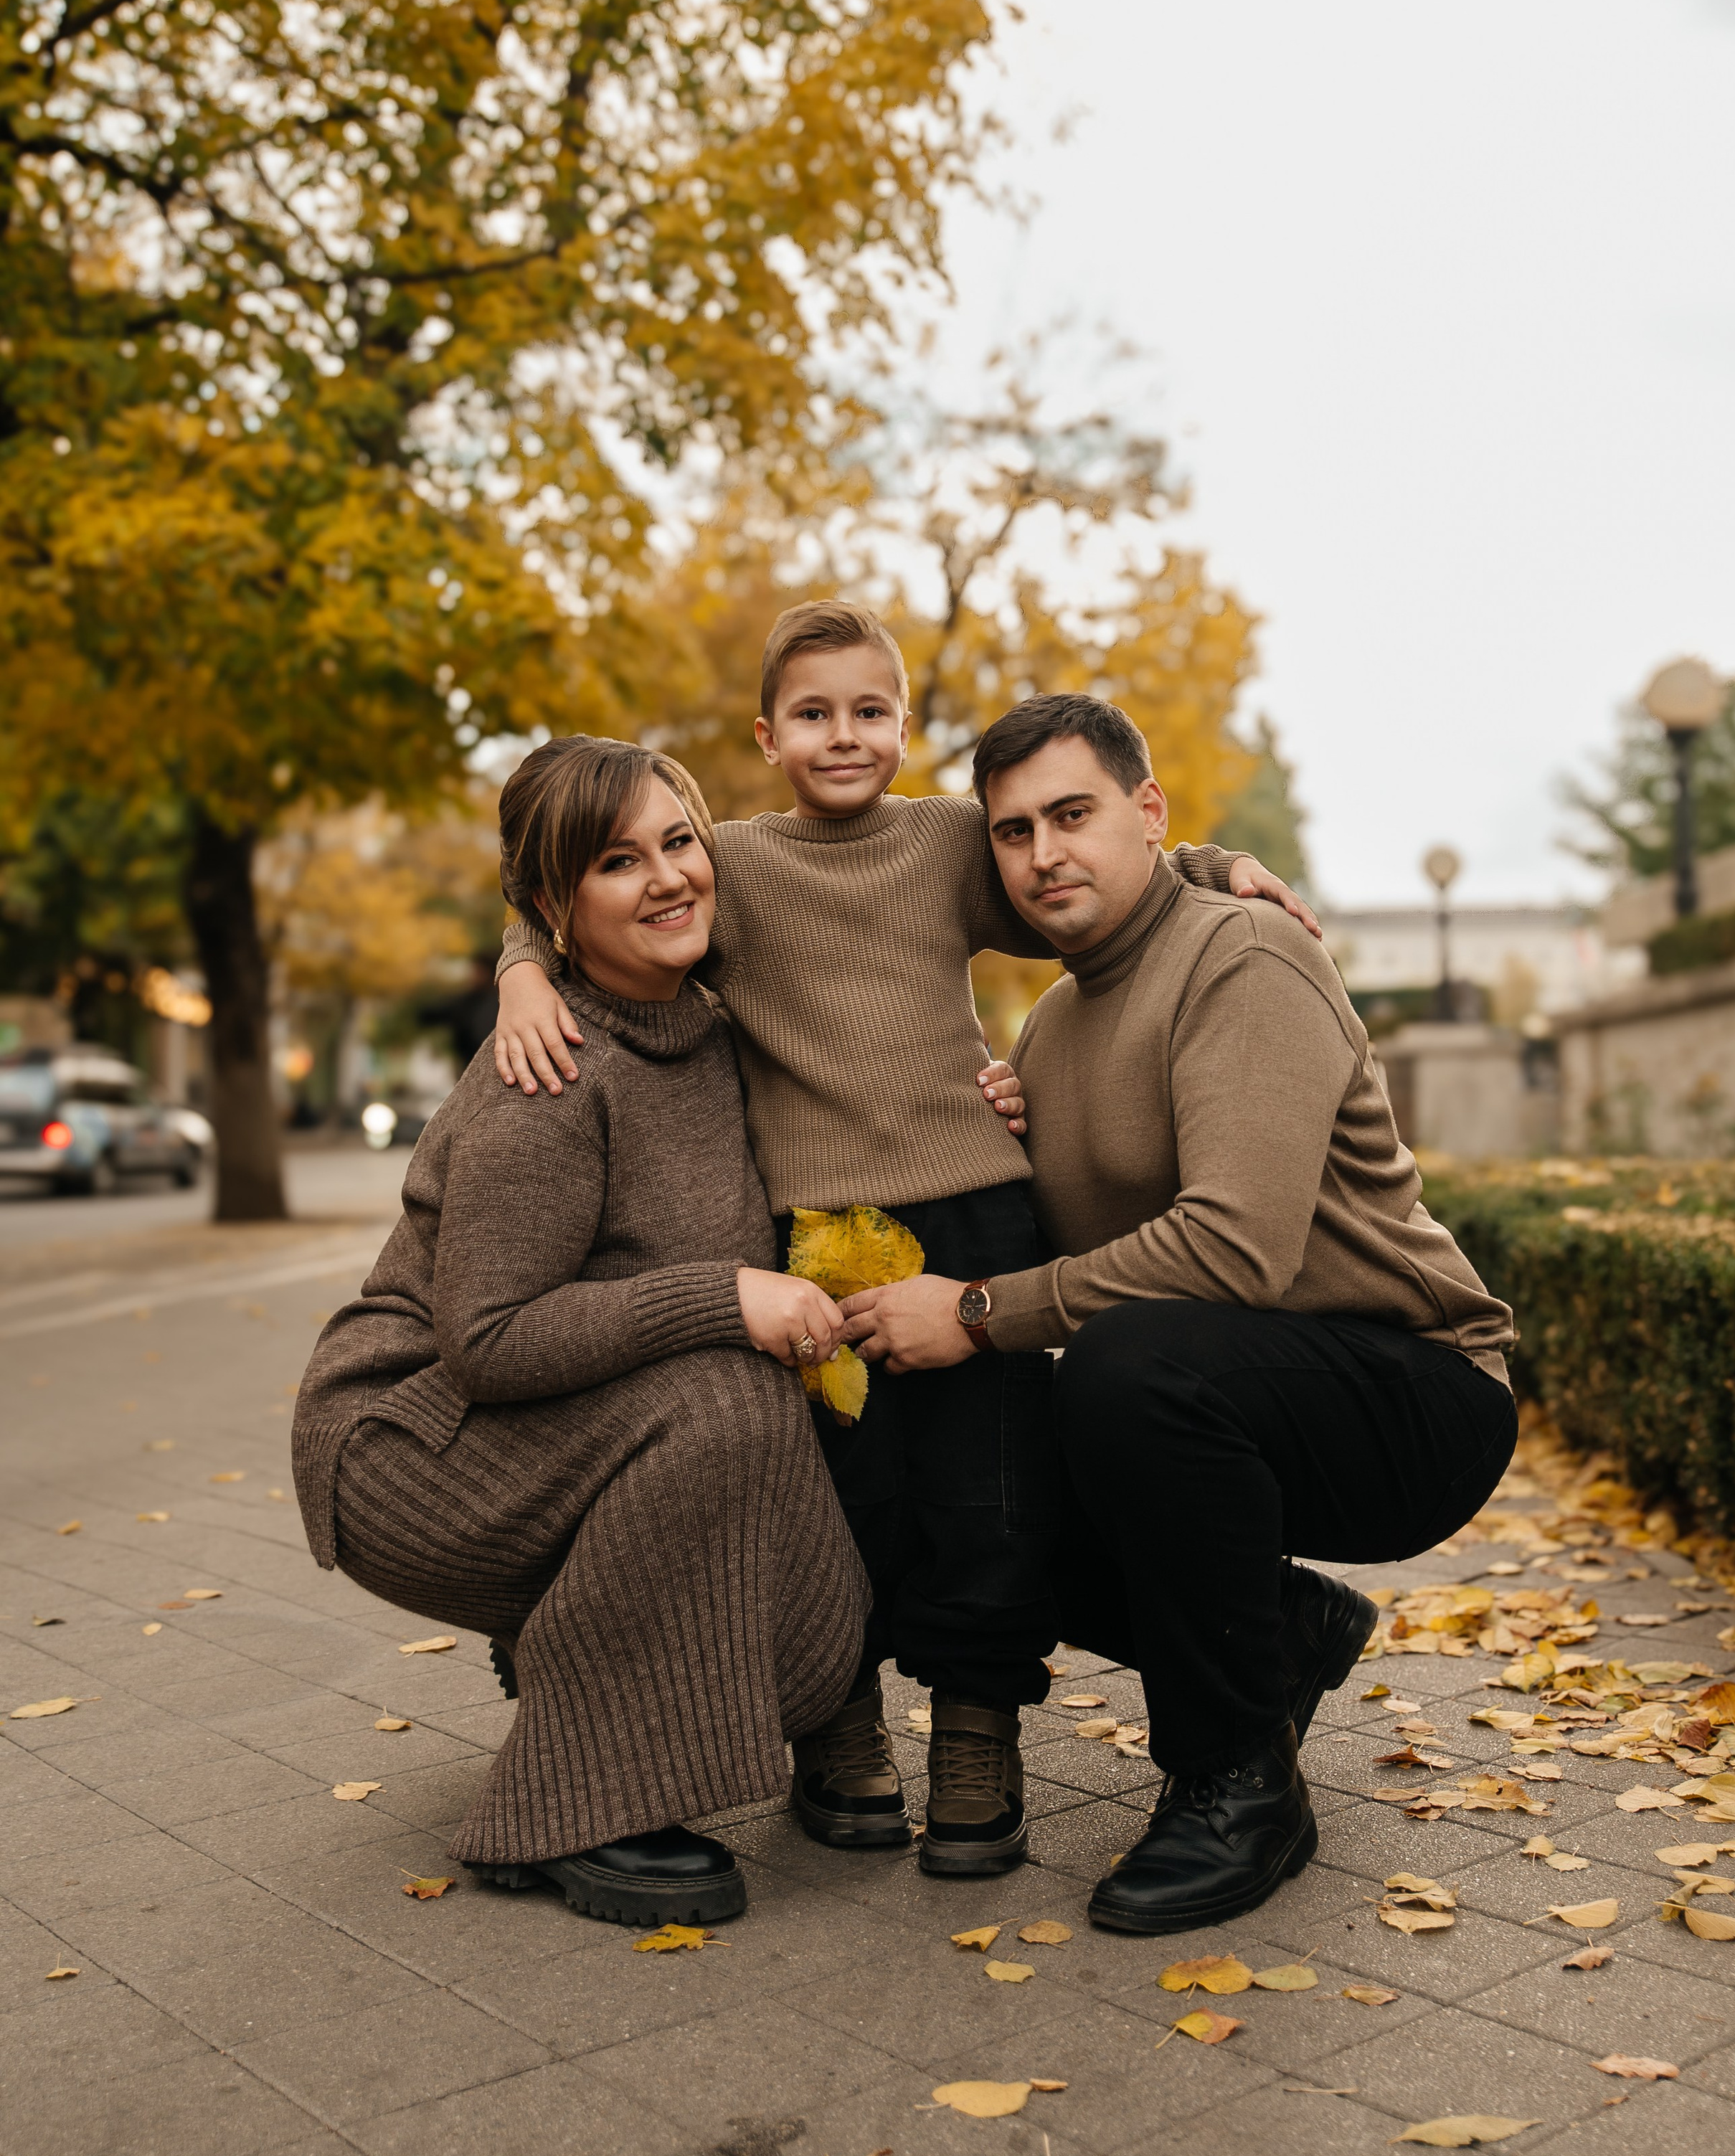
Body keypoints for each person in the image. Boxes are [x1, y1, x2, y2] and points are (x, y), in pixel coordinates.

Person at [492, 601, 1319, 1879]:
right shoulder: (732, 866)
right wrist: (520, 969)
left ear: (905, 723)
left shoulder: (947, 843)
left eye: (870, 710)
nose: (843, 735)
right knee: (836, 1500)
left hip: (977, 1215)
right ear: (766, 737)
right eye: (813, 714)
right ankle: (840, 1732)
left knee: (991, 1498)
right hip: (814, 1240)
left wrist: (1218, 864)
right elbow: (580, 872)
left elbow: (1084, 871)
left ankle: (980, 1744)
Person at [841, 691, 1518, 1936]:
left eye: (1074, 814)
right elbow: (1085, 1258)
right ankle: (1274, 1629)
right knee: (980, 1470)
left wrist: (981, 1310)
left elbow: (1235, 1251)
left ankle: (1237, 1783)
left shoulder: (1242, 955)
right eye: (1011, 831)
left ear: (1148, 813)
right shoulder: (1051, 1027)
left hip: (1416, 1392)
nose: (1044, 854)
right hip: (1244, 1394)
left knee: (1127, 1366)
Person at [291, 738, 869, 1928]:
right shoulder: (547, 1072)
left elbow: (919, 880)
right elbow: (489, 1338)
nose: (667, 878)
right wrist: (725, 1296)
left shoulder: (713, 1023)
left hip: (539, 1416)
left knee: (784, 1379)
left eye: (679, 843)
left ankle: (689, 1693)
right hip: (410, 1439)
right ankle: (574, 1807)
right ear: (559, 907)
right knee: (726, 1394)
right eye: (618, 861)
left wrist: (1205, 871)